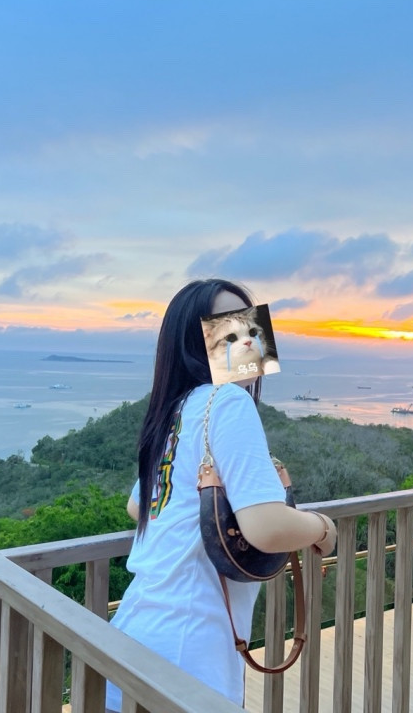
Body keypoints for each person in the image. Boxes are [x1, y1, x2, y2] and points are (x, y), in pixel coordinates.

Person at [105, 279, 337, 711]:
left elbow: (138, 505)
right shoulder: (228, 400)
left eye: (251, 324)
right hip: (190, 649)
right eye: (227, 327)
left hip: (134, 633)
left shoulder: (175, 409)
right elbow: (266, 527)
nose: (246, 338)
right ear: (195, 343)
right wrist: (322, 528)